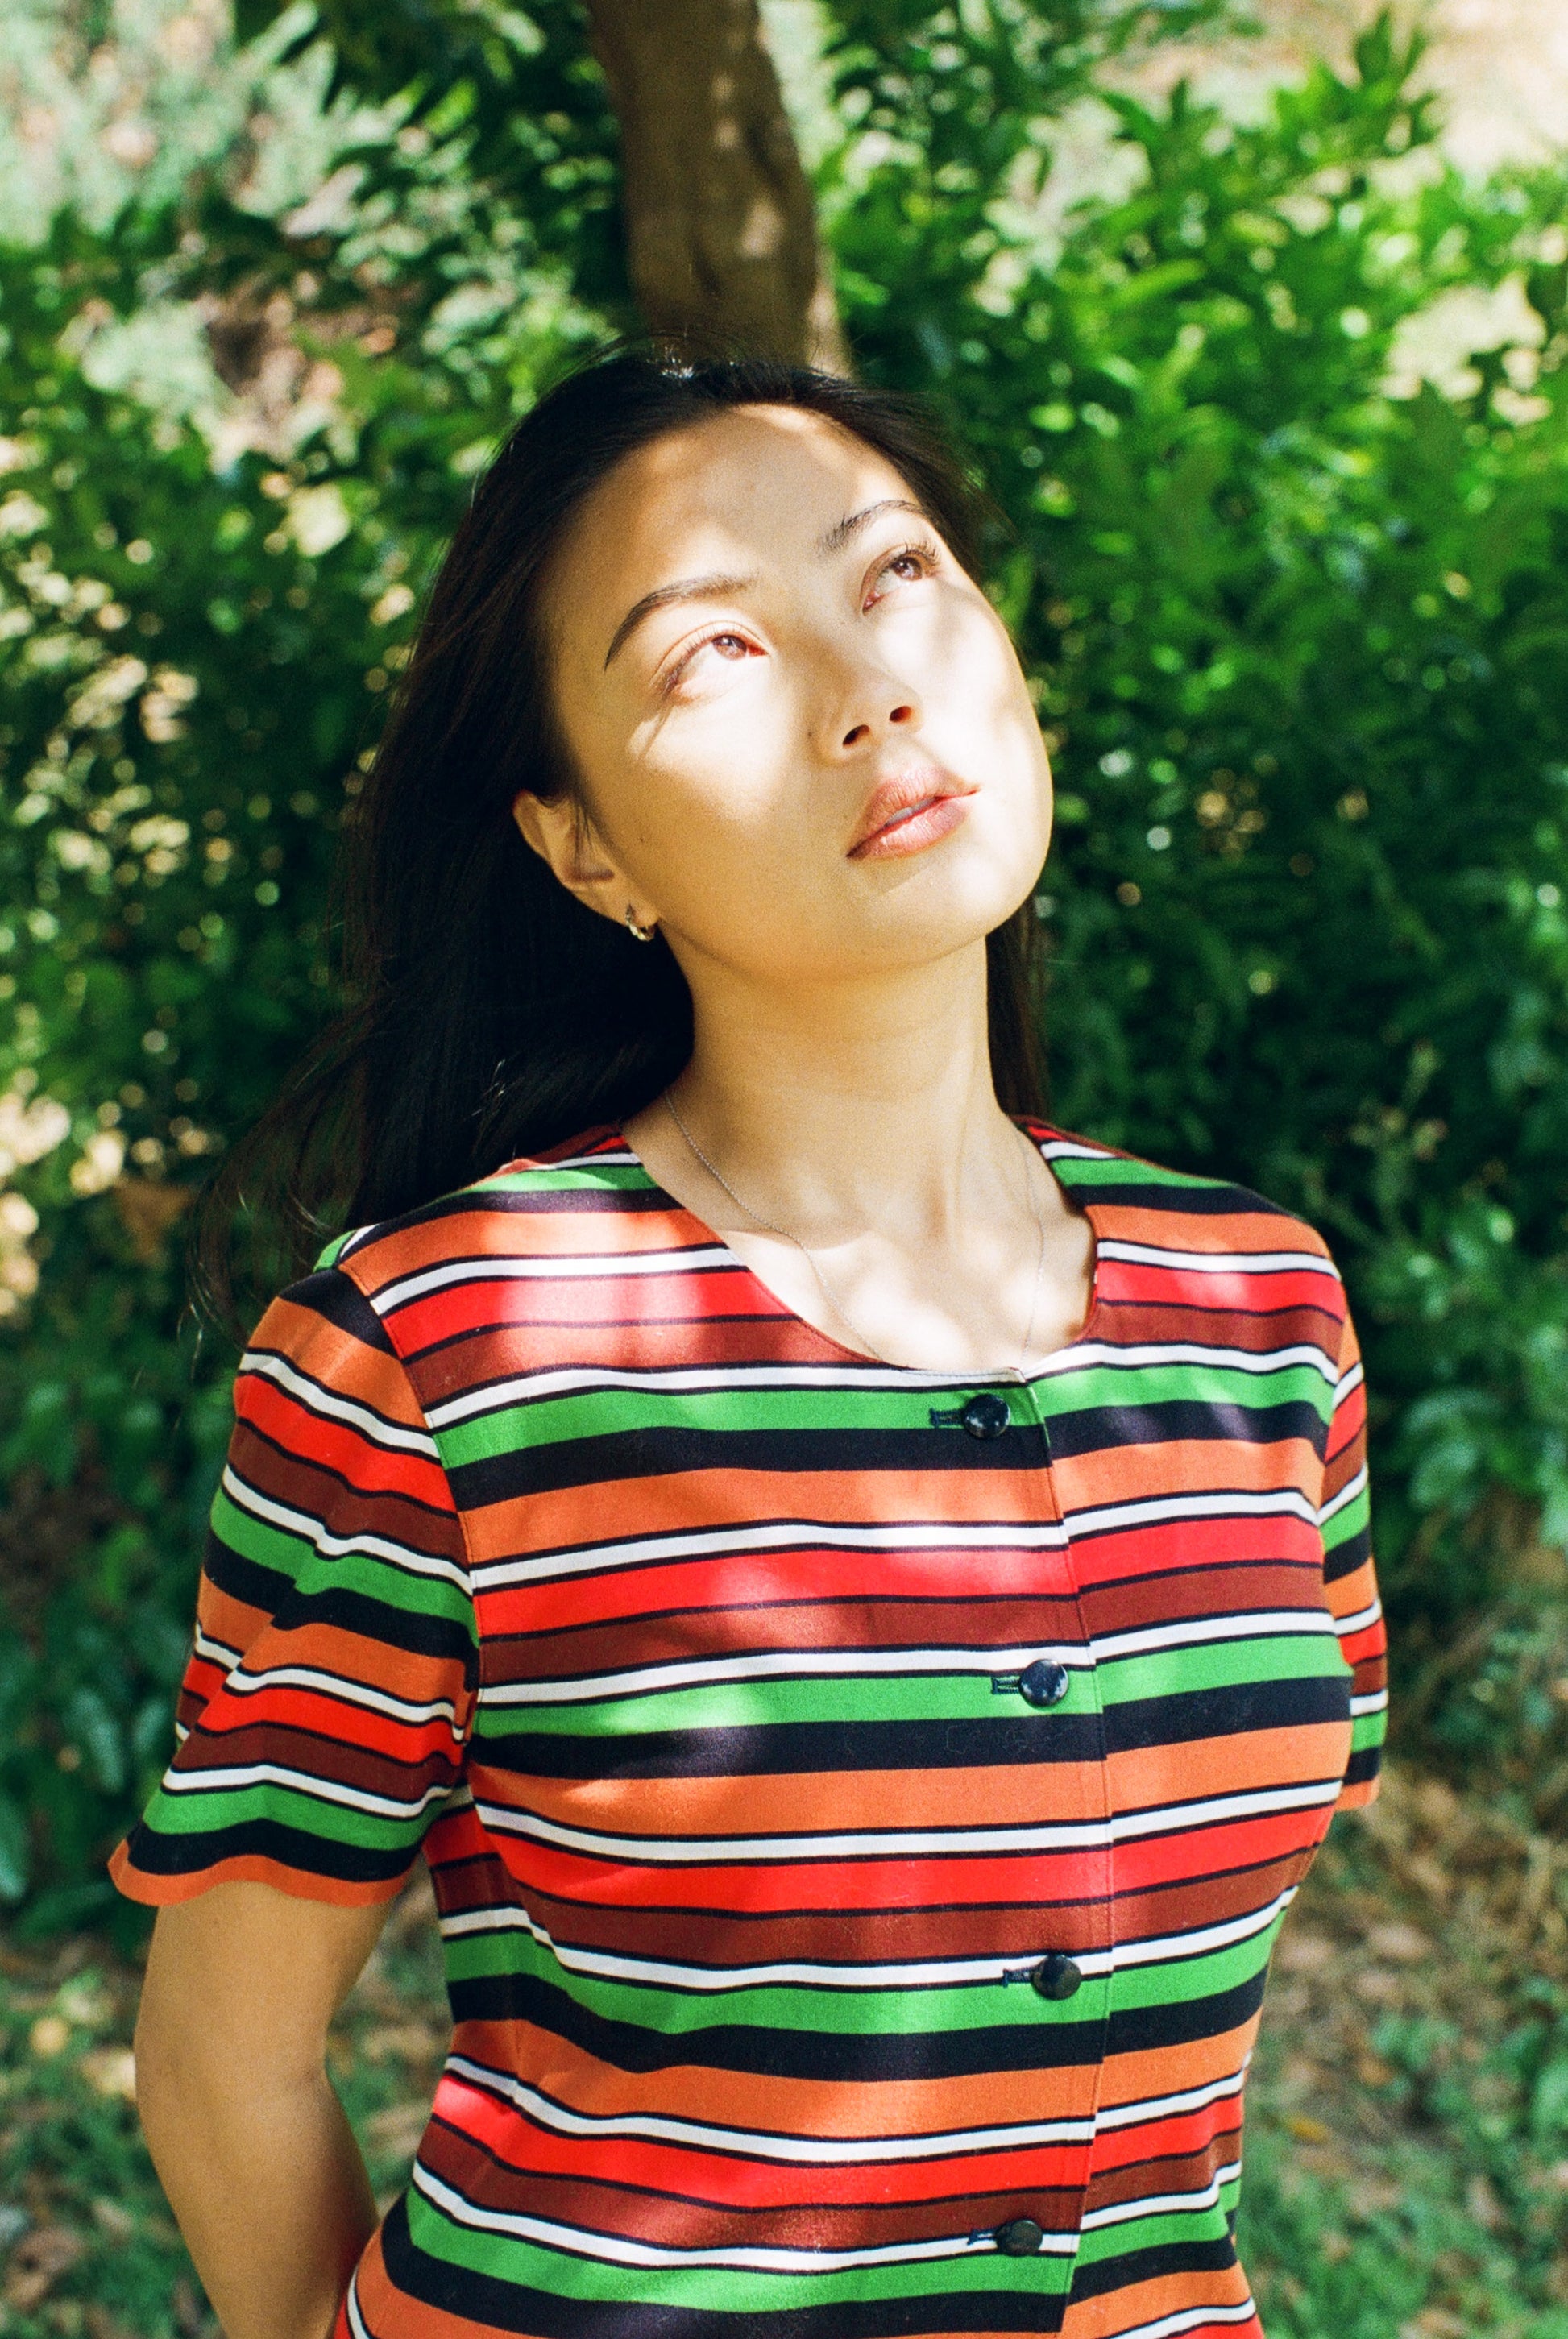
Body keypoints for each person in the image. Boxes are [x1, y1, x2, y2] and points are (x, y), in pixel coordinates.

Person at [114, 349, 1386, 2339]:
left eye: (894, 573)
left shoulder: (1263, 1315)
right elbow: (222, 2061)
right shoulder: (439, 1357)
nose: (865, 685)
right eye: (711, 649)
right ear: (584, 848)